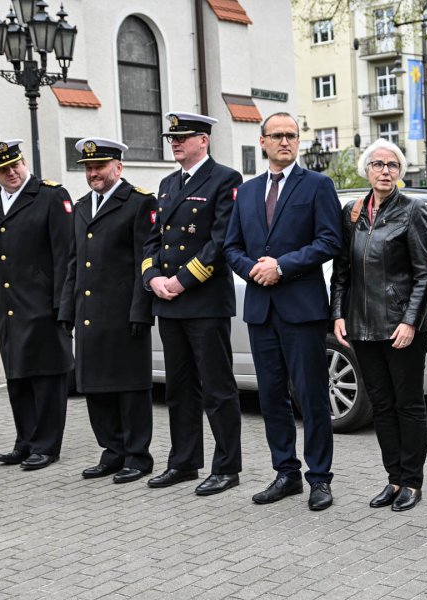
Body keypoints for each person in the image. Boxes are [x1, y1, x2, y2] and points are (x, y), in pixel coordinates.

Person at [224, 112, 343, 511]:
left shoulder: (317, 185)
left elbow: (329, 240)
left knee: (311, 396)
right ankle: (286, 473)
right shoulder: (248, 191)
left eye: (291, 136)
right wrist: (254, 269)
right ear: (262, 142)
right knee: (272, 396)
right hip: (261, 309)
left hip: (302, 309)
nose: (285, 142)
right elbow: (231, 247)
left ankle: (320, 478)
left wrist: (283, 266)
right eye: (277, 136)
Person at [329, 139, 427, 512]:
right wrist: (338, 313)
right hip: (362, 326)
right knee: (382, 405)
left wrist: (410, 321)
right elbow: (341, 271)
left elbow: (425, 274)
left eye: (392, 165)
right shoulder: (352, 212)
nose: (385, 170)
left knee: (408, 404)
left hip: (401, 329)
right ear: (367, 170)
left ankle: (412, 481)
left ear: (400, 172)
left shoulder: (412, 211)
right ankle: (393, 479)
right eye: (378, 164)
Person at [143, 112, 244, 496]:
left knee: (217, 389)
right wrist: (152, 278)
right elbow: (154, 239)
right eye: (172, 137)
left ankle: (226, 467)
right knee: (179, 389)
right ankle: (183, 462)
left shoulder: (224, 179)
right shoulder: (168, 184)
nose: (175, 142)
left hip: (203, 301)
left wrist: (181, 281)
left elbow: (219, 241)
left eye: (183, 137)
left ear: (204, 140)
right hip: (168, 303)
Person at [58, 137, 156, 484]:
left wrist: (141, 311)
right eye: (88, 167)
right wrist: (66, 309)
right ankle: (112, 451)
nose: (93, 173)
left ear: (119, 166)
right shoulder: (83, 206)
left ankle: (138, 456)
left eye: (100, 166)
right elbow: (75, 263)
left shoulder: (139, 203)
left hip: (123, 314)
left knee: (130, 389)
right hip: (88, 314)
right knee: (95, 388)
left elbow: (145, 262)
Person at [0, 140, 73, 471]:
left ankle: (46, 445)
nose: (12, 172)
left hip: (43, 305)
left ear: (24, 162)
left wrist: (63, 303)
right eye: (3, 169)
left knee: (46, 378)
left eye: (15, 164)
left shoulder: (50, 196)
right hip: (8, 308)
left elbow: (65, 255)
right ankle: (26, 440)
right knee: (18, 378)